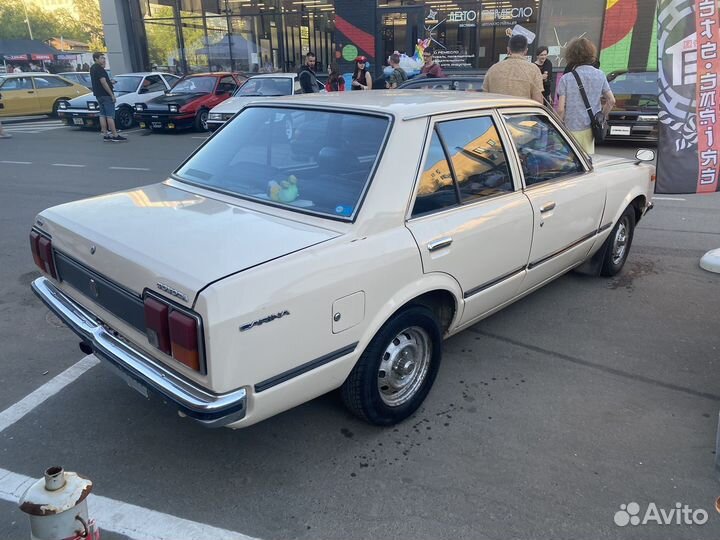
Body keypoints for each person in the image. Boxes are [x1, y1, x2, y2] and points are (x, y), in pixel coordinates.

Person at [556, 37, 615, 154]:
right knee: (588, 162)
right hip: (590, 128)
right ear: (591, 54)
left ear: (571, 55)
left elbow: (561, 109)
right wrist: (602, 116)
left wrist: (558, 126)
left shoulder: (566, 78)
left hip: (571, 127)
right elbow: (611, 100)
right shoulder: (600, 74)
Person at [482, 34, 543, 104]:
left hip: (496, 113)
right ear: (526, 51)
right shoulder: (533, 70)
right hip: (522, 113)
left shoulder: (493, 69)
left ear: (508, 49)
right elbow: (538, 100)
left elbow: (484, 97)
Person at [89, 52, 126, 142]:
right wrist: (111, 94)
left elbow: (102, 81)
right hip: (106, 95)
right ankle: (115, 135)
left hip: (98, 94)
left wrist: (110, 82)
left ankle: (105, 134)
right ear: (96, 59)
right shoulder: (100, 69)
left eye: (104, 58)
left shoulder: (93, 68)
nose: (104, 60)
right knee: (110, 116)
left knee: (102, 114)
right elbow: (103, 82)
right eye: (102, 58)